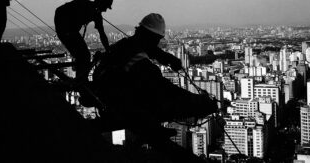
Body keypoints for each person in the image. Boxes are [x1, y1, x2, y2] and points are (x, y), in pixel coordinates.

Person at [90, 13, 218, 146]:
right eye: (157, 39)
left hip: (103, 95)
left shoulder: (127, 44)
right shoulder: (140, 61)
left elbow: (154, 51)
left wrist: (169, 59)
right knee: (160, 100)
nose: (157, 43)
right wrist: (198, 101)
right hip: (117, 103)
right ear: (151, 37)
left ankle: (152, 127)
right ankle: (151, 129)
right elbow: (166, 88)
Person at [54, 0, 113, 85]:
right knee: (84, 55)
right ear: (101, 2)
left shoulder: (94, 13)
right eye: (105, 6)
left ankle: (81, 80)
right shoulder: (83, 4)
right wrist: (108, 50)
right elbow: (102, 34)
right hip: (65, 27)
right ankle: (81, 81)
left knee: (83, 55)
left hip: (68, 29)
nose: (105, 10)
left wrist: (108, 50)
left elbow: (102, 34)